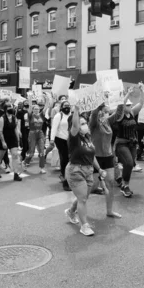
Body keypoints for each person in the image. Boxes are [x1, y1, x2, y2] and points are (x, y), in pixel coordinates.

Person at [64, 105, 105, 236]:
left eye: (85, 123)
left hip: (88, 171)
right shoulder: (73, 137)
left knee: (84, 197)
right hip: (76, 171)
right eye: (82, 123)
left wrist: (99, 169)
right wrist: (76, 109)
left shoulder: (87, 138)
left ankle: (71, 211)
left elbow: (91, 156)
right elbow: (75, 127)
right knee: (83, 199)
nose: (84, 125)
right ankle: (84, 226)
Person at [108, 87, 144, 198]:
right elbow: (121, 104)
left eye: (130, 105)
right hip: (121, 143)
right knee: (128, 162)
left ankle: (125, 185)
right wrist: (128, 94)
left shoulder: (133, 113)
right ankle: (125, 185)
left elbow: (141, 103)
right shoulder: (119, 116)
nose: (129, 106)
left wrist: (142, 92)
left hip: (132, 144)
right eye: (127, 105)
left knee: (129, 165)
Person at [90, 102, 121, 218]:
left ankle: (109, 211)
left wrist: (122, 97)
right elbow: (94, 114)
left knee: (110, 183)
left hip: (108, 157)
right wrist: (99, 100)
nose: (107, 112)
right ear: (100, 111)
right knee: (91, 187)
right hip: (95, 158)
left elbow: (118, 113)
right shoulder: (93, 123)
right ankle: (73, 208)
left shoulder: (107, 121)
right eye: (105, 110)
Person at [0, 99, 22, 182]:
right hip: (3, 138)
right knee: (0, 156)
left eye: (12, 106)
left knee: (15, 155)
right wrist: (3, 142)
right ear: (5, 109)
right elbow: (0, 131)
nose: (11, 108)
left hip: (12, 139)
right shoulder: (2, 118)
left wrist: (17, 140)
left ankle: (16, 174)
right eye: (9, 107)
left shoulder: (14, 117)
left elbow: (15, 129)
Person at [51, 100, 72, 191]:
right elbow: (54, 128)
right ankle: (65, 180)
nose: (67, 107)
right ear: (62, 107)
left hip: (70, 140)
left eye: (68, 105)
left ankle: (67, 176)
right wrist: (51, 140)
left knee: (69, 158)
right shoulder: (58, 116)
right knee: (65, 158)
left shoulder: (71, 115)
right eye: (65, 105)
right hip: (60, 139)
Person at [22, 102, 47, 174]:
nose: (36, 110)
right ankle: (25, 162)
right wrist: (30, 99)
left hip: (40, 133)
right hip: (32, 134)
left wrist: (48, 99)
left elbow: (46, 107)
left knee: (42, 152)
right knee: (31, 153)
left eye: (38, 109)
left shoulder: (41, 115)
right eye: (35, 109)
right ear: (32, 110)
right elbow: (29, 108)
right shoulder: (30, 115)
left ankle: (42, 168)